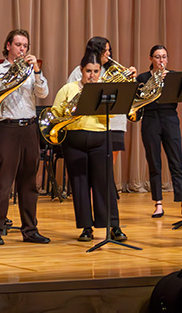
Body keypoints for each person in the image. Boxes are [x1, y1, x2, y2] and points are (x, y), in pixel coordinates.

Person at [0, 29, 50, 246]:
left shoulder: (31, 72)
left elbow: (43, 94)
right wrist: (1, 88)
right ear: (8, 46)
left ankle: (30, 229)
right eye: (18, 45)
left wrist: (36, 71)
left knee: (29, 183)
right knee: (2, 182)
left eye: (25, 46)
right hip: (6, 128)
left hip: (29, 128)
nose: (22, 49)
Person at [55, 51, 126, 242]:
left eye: (96, 71)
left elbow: (109, 116)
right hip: (74, 141)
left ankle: (114, 226)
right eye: (88, 71)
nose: (92, 75)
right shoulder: (68, 89)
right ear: (81, 70)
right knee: (80, 185)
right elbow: (56, 113)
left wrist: (94, 104)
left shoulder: (104, 90)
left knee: (105, 184)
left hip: (100, 139)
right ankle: (86, 227)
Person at [137, 45, 182, 219]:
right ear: (150, 59)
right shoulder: (143, 78)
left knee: (176, 161)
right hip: (150, 119)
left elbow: (180, 95)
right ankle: (158, 204)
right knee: (154, 162)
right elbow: (138, 99)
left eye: (164, 57)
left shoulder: (172, 76)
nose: (161, 61)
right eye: (158, 57)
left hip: (170, 118)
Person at [66, 37, 136, 165]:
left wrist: (131, 80)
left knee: (107, 168)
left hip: (115, 124)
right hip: (91, 127)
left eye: (109, 50)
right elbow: (71, 96)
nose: (108, 54)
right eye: (105, 51)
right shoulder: (79, 71)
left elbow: (126, 95)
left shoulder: (114, 70)